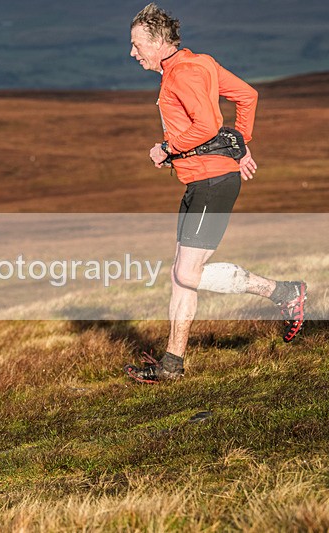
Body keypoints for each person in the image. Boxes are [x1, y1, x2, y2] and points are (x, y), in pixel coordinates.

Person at [123, 4, 307, 384]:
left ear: (158, 42)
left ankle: (284, 292)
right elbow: (248, 96)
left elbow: (208, 125)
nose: (132, 52)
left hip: (211, 182)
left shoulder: (182, 73)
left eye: (137, 44)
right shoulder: (199, 62)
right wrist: (240, 145)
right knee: (181, 276)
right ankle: (172, 364)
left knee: (186, 273)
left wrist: (168, 148)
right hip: (202, 181)